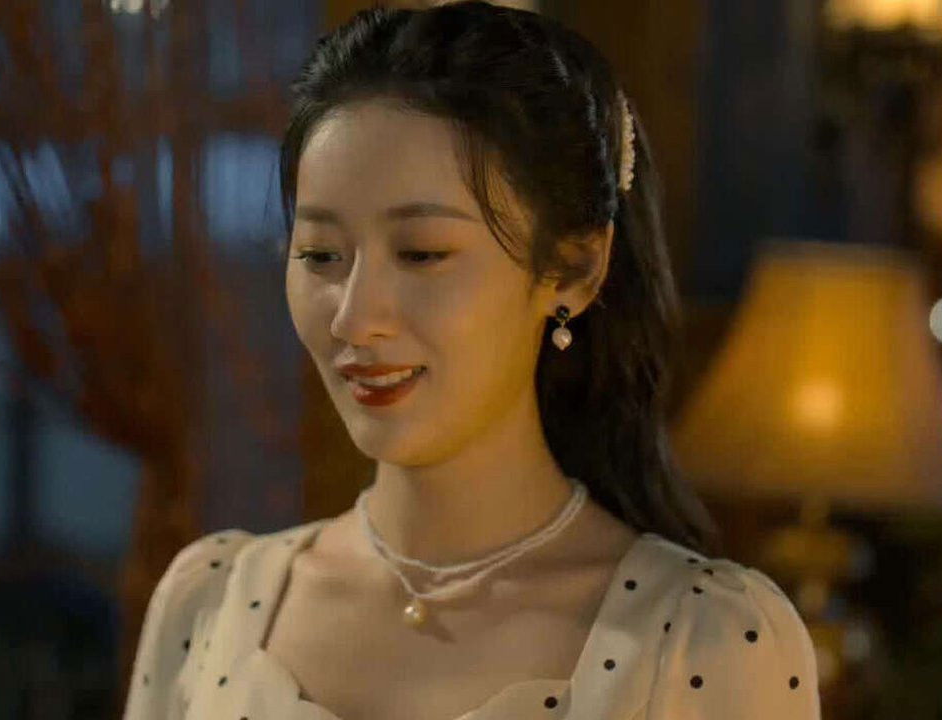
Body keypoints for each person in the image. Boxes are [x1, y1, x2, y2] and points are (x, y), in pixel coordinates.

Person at [122, 2, 820, 718]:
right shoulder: (209, 601)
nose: (353, 318)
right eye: (321, 255)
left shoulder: (703, 640)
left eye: (422, 253)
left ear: (574, 268)